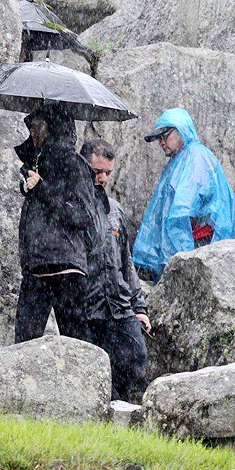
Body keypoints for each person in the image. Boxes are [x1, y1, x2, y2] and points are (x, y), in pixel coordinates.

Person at [14, 104, 101, 344]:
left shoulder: (75, 165)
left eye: (37, 125)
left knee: (76, 345)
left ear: (52, 127)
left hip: (66, 268)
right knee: (22, 345)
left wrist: (42, 189)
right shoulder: (38, 163)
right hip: (37, 265)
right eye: (31, 126)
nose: (32, 131)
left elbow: (82, 216)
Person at [81, 139, 151, 401]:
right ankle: (105, 409)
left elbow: (126, 261)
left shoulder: (116, 210)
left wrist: (140, 308)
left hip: (119, 303)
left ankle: (115, 402)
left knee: (136, 355)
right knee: (94, 363)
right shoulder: (75, 207)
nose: (102, 178)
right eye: (96, 172)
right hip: (88, 304)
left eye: (107, 173)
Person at [134, 108, 235, 280]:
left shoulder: (195, 156)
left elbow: (183, 209)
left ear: (180, 130)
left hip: (200, 244)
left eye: (164, 135)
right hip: (193, 244)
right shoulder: (180, 160)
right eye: (159, 138)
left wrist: (181, 252)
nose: (161, 142)